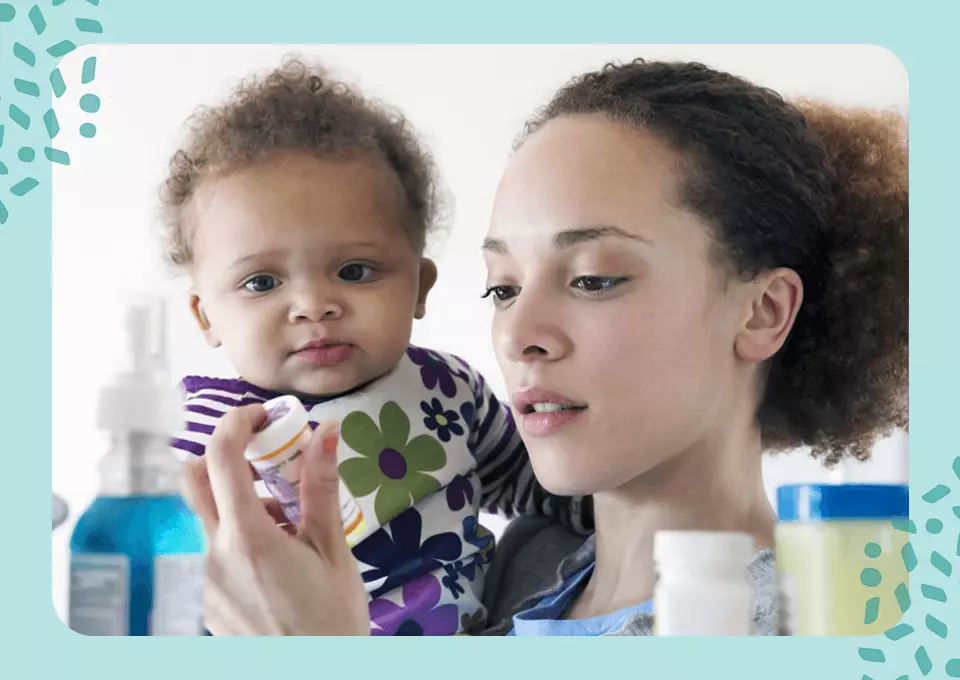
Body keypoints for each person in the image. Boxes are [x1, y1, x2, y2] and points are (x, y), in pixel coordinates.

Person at [182, 58, 908, 636]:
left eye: (591, 279)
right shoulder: (523, 565)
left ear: (762, 311)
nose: (517, 335)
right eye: (502, 288)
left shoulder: (825, 632)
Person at [162, 58, 590, 636]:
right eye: (261, 282)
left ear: (419, 287)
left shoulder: (450, 391)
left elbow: (533, 483)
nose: (313, 305)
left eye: (355, 271)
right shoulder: (207, 437)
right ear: (205, 314)